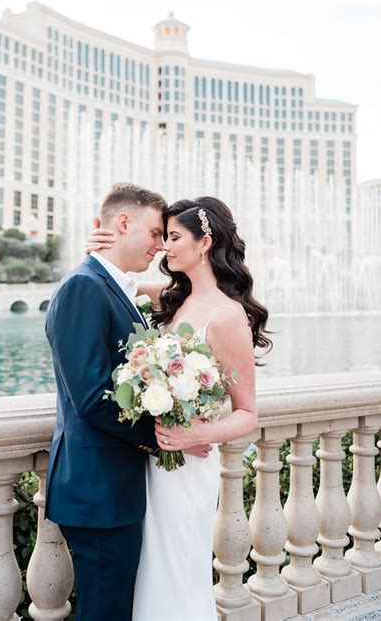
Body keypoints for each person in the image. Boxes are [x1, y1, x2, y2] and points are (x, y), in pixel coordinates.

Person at [87, 196, 270, 620]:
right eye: (163, 236)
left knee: (180, 568)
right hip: (155, 461)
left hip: (190, 461)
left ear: (204, 242)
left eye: (173, 237)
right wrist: (97, 246)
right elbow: (108, 283)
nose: (164, 247)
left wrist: (198, 434)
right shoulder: (172, 296)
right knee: (152, 570)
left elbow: (248, 412)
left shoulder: (227, 316)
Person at [44, 183, 210, 621]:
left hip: (112, 490)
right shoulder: (84, 287)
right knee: (106, 612)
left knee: (114, 608)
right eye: (156, 234)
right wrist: (167, 438)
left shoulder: (115, 287)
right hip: (97, 492)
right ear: (122, 223)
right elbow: (92, 398)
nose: (159, 247)